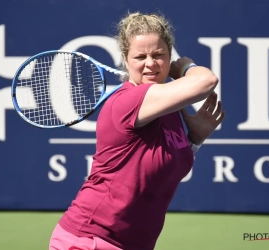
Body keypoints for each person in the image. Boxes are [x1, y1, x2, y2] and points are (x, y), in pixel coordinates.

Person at [49, 11, 225, 250]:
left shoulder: (168, 108)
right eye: (140, 56)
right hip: (90, 240)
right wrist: (185, 67)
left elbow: (158, 171)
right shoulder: (128, 101)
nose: (150, 64)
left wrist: (195, 139)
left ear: (168, 53)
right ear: (126, 58)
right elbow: (206, 80)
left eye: (159, 55)